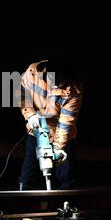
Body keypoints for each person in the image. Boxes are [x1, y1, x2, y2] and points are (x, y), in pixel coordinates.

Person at [19, 58, 83, 190]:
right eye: (55, 80)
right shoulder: (32, 72)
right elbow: (22, 93)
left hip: (61, 135)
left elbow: (66, 121)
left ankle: (66, 207)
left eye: (61, 82)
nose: (57, 85)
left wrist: (58, 147)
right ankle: (24, 202)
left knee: (67, 178)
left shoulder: (74, 89)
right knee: (27, 177)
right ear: (46, 72)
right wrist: (29, 114)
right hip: (35, 130)